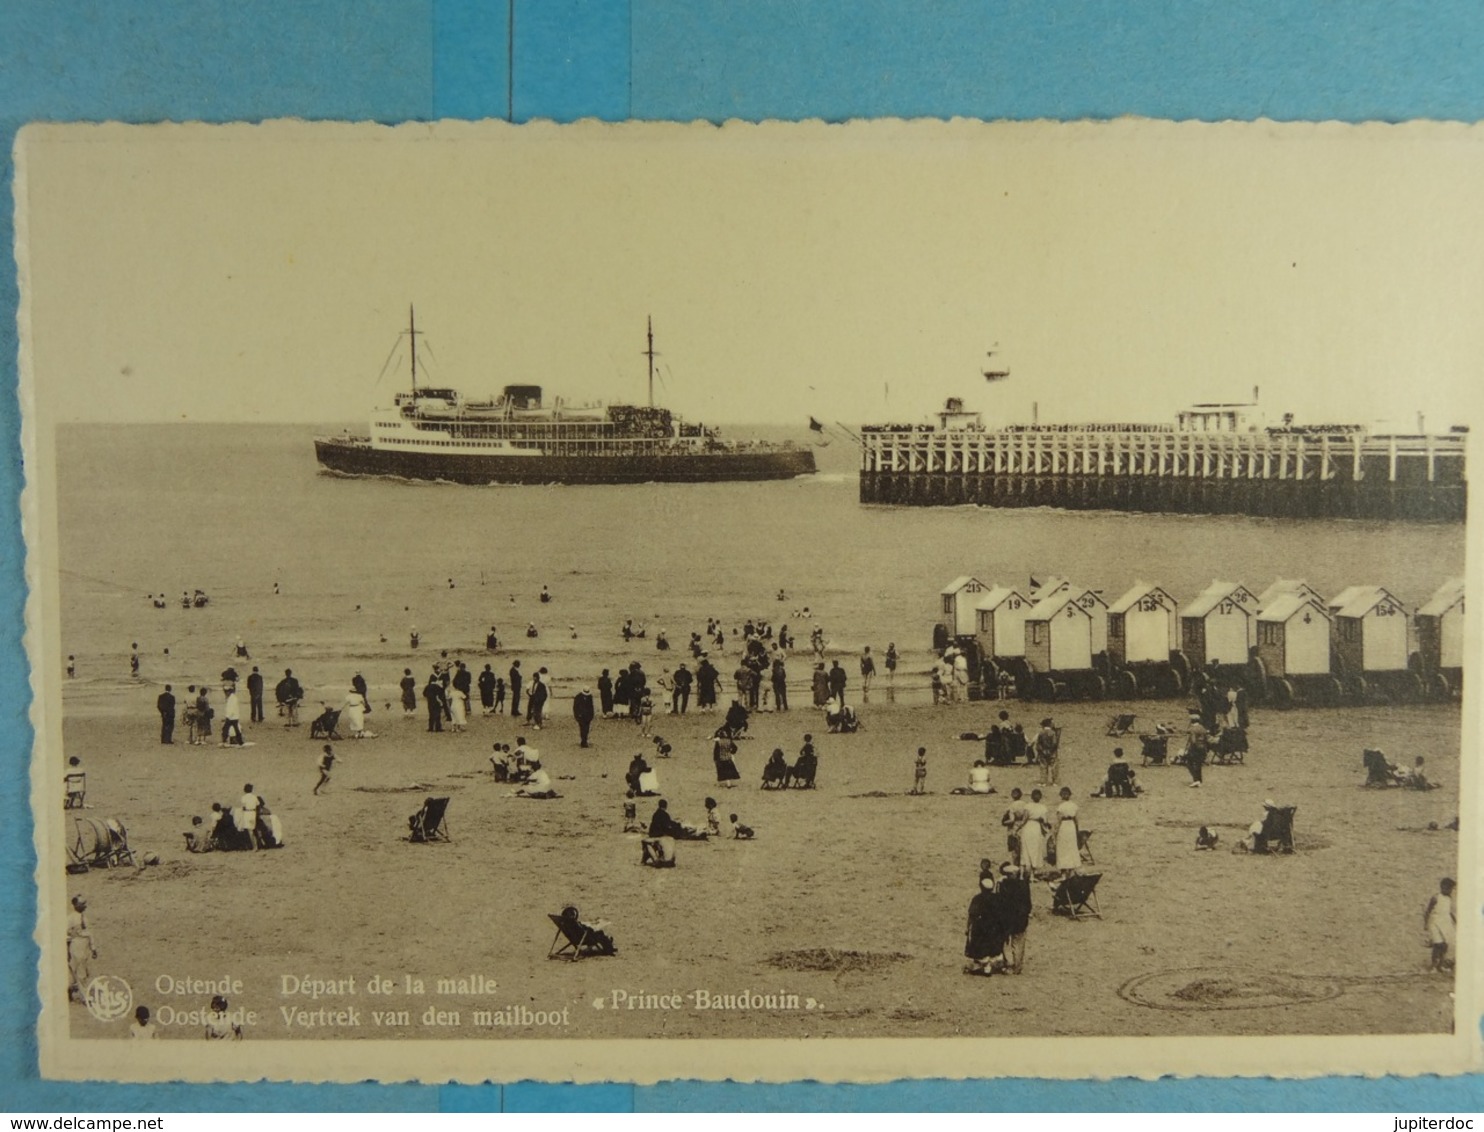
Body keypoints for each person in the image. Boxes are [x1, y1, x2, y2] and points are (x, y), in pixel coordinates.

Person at [964, 863, 1007, 976]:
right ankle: (994, 964)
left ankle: (985, 966)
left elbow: (972, 915)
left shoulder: (977, 899)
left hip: (981, 926)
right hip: (994, 926)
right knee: (993, 946)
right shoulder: (997, 898)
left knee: (981, 947)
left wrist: (968, 927)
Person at [998, 863, 1032, 974]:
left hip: (1007, 919)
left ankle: (1008, 964)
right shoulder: (1024, 886)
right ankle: (1017, 966)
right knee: (1019, 943)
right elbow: (1028, 904)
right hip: (1021, 919)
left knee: (1007, 943)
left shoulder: (1003, 886)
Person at [66, 895, 96, 1002]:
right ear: (75, 905)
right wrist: (67, 950)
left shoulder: (85, 918)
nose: (85, 906)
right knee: (80, 974)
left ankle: (68, 989)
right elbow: (65, 935)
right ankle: (85, 998)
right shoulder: (70, 919)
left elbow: (89, 933)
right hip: (76, 948)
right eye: (82, 904)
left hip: (85, 949)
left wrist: (93, 948)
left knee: (80, 973)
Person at [1424, 878, 1457, 972]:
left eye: (1452, 888)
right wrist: (1426, 924)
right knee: (1437, 944)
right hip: (1435, 923)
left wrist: (1455, 921)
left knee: (1445, 945)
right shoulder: (1436, 897)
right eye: (1449, 888)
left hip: (1445, 923)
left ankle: (1441, 965)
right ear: (1443, 887)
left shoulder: (1449, 898)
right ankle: (1434, 965)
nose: (1450, 890)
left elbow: (1449, 912)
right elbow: (1428, 911)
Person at [1053, 786, 1081, 872]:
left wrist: (1055, 832)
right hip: (1071, 826)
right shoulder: (1074, 806)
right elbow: (1076, 820)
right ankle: (1072, 867)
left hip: (1064, 826)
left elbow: (1058, 821)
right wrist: (1077, 830)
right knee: (1071, 846)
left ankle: (1064, 867)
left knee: (1063, 846)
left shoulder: (1061, 807)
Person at [1022, 789, 1049, 872]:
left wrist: (1018, 828)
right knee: (1035, 849)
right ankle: (1034, 871)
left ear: (1031, 797)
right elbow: (1045, 821)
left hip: (1028, 827)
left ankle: (1027, 871)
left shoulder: (1028, 806)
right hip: (1036, 828)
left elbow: (1024, 819)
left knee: (1026, 849)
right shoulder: (1043, 808)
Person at [1001, 788, 1027, 863]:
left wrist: (1004, 823)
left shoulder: (1011, 806)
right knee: (1023, 850)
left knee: (1015, 851)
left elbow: (1012, 819)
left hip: (1014, 828)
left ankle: (1016, 868)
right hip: (1023, 827)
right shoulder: (1025, 804)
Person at [1184, 714, 1209, 788]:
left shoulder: (1193, 729)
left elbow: (1193, 741)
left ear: (1191, 721)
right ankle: (1199, 780)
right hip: (1203, 747)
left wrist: (1189, 748)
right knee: (1198, 764)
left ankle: (1196, 779)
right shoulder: (1202, 727)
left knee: (1189, 763)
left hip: (1195, 748)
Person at [1035, 718, 1061, 785]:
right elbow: (1055, 743)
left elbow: (1038, 744)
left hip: (1043, 753)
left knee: (1043, 767)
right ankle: (1055, 782)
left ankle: (1043, 782)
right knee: (1054, 767)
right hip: (1052, 753)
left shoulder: (1041, 733)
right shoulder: (1052, 733)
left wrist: (1042, 750)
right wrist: (1051, 750)